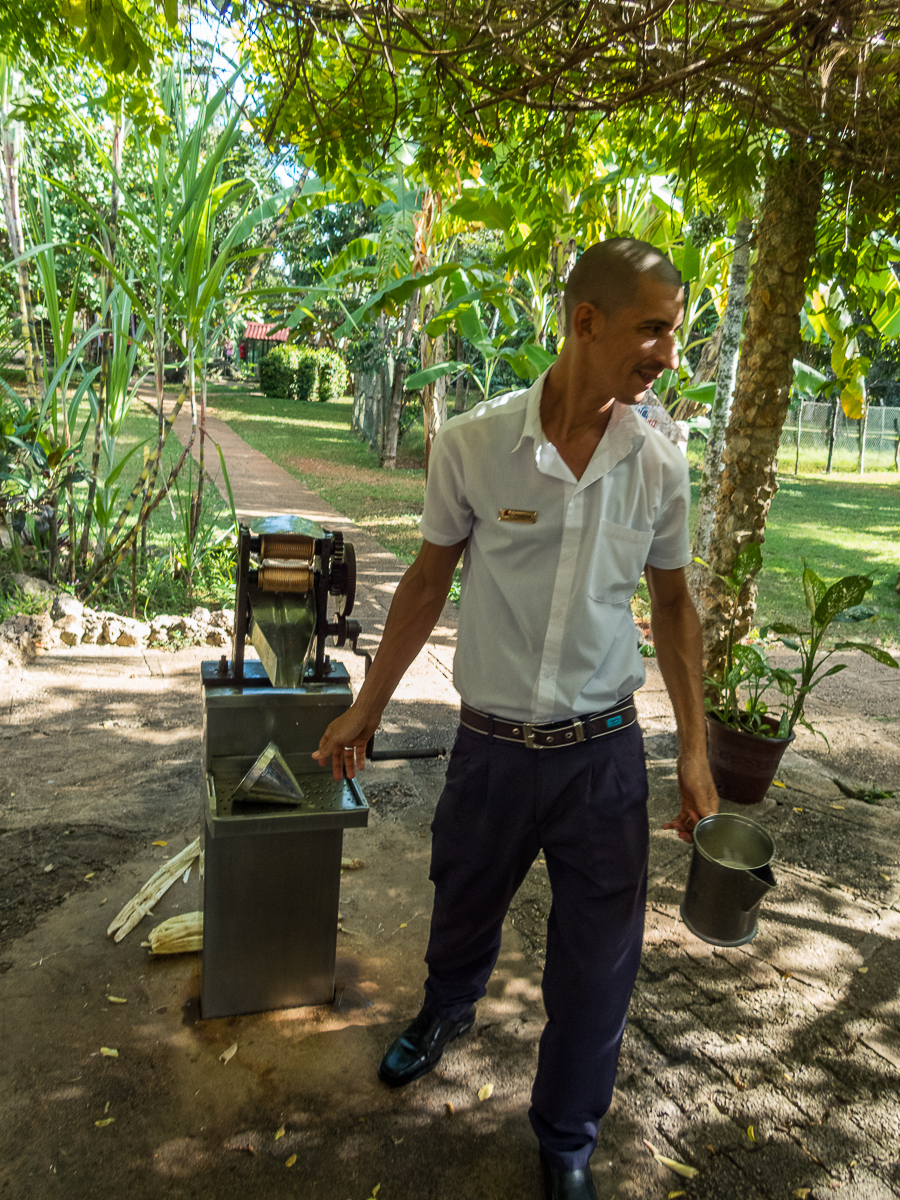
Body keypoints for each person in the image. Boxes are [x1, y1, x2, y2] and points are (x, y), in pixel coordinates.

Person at [313, 238, 720, 1200]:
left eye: (674, 330)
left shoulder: (659, 467)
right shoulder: (474, 444)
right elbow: (424, 582)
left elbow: (673, 609)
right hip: (491, 746)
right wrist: (365, 708)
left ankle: (567, 1135)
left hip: (603, 759)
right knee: (461, 897)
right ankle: (447, 1007)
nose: (669, 352)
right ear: (587, 321)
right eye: (653, 328)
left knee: (600, 964)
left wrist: (696, 755)